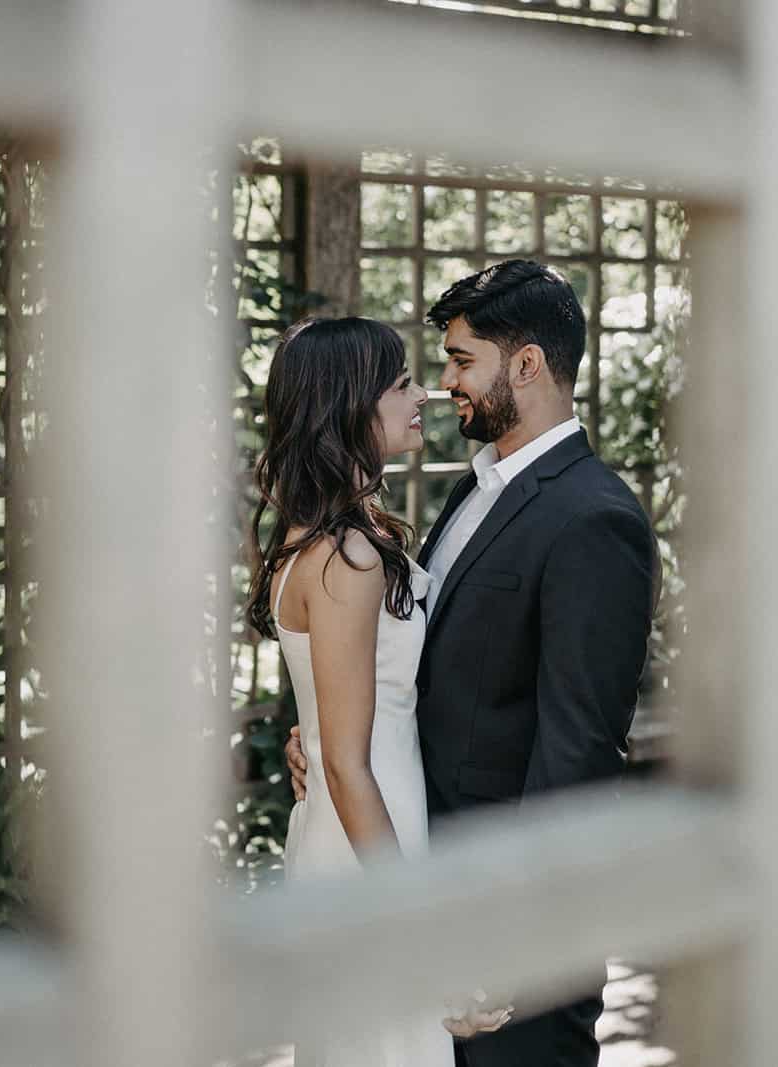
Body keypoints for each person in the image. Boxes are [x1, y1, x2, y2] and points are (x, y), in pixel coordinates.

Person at [285, 261, 661, 1067]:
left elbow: (579, 753)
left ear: (526, 365)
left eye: (461, 361)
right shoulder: (474, 489)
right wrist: (324, 732)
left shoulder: (595, 519)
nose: (443, 384)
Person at [246, 316, 503, 1067]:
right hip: (367, 836)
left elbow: (333, 724)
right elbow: (347, 762)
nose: (423, 392)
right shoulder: (348, 554)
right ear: (350, 408)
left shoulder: (326, 536)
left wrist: (310, 737)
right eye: (400, 384)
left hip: (354, 824)